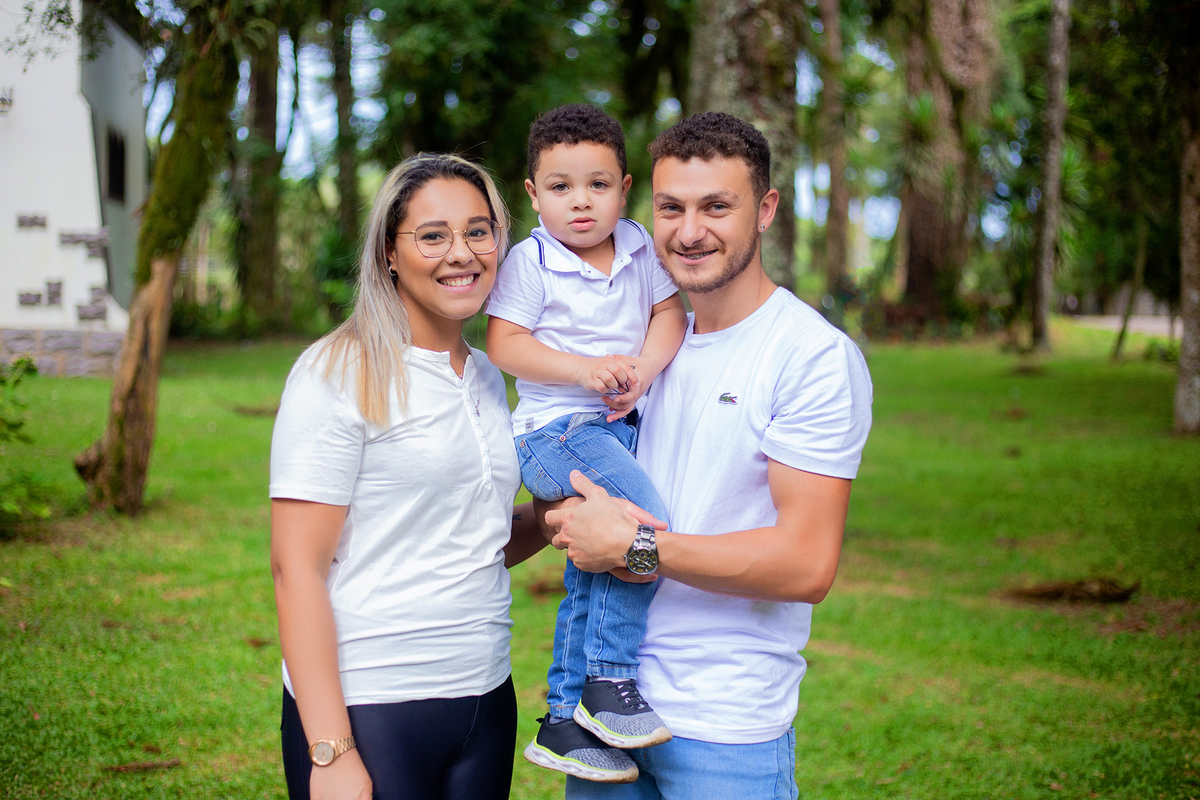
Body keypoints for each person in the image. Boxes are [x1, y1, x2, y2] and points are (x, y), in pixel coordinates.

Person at [544, 112, 874, 800]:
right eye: (671, 208)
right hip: (606, 716)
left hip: (725, 724)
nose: (689, 232)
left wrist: (630, 546)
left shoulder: (810, 357)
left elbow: (807, 562)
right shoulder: (642, 347)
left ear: (766, 210)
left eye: (716, 206)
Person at [269, 153, 549, 800]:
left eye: (479, 231)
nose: (462, 252)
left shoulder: (485, 374)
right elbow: (295, 567)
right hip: (375, 701)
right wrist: (330, 749)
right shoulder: (337, 371)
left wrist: (554, 516)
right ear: (390, 253)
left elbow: (468, 535)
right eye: (433, 235)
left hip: (484, 696)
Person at [486, 104, 688, 784]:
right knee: (641, 526)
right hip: (556, 433)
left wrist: (645, 371)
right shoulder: (530, 259)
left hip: (616, 426)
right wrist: (584, 369)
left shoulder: (638, 247)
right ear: (533, 193)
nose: (581, 202)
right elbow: (505, 344)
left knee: (595, 564)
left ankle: (566, 721)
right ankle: (609, 680)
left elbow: (669, 314)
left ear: (624, 187)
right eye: (562, 187)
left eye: (597, 185)